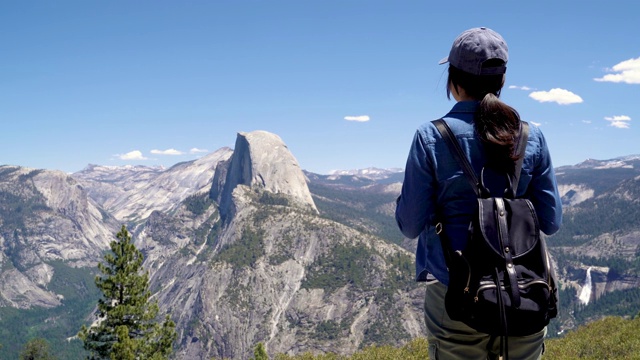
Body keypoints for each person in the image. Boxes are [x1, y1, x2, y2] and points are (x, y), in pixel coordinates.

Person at [395, 27, 562, 360]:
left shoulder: (431, 136)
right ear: (501, 81)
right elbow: (551, 221)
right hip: (524, 293)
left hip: (455, 295)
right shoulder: (532, 136)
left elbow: (410, 225)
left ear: (454, 80)